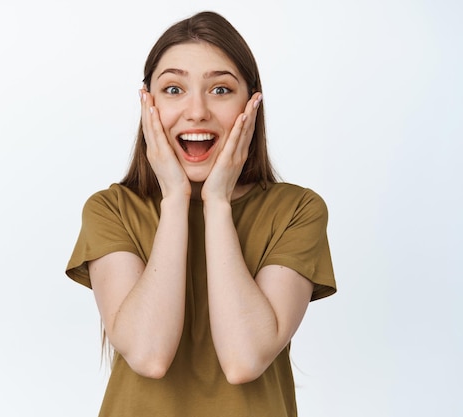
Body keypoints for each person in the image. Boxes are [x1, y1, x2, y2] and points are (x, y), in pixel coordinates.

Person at [65, 10, 336, 417]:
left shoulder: (297, 211)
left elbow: (244, 359)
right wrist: (175, 198)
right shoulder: (111, 210)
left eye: (221, 90)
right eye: (174, 89)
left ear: (252, 103)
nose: (196, 111)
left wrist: (218, 203)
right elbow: (149, 354)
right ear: (148, 105)